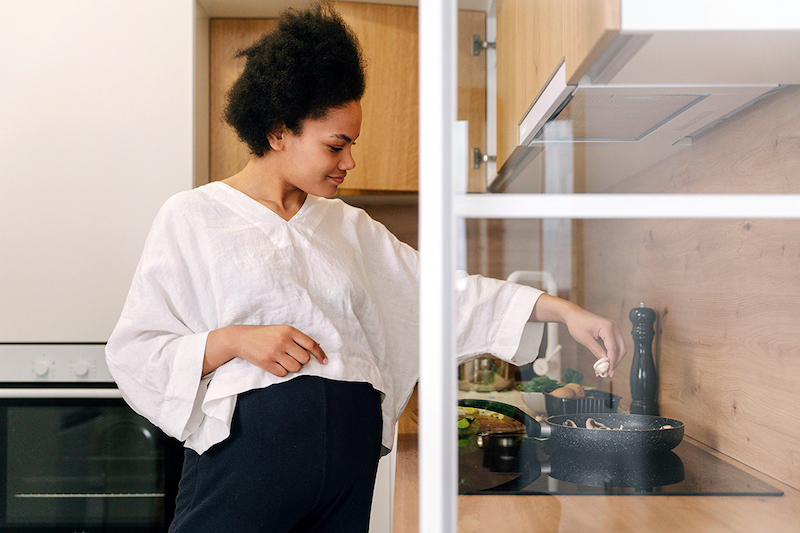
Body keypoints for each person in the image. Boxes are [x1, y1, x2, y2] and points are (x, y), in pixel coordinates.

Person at [105, 4, 626, 532]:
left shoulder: (350, 227)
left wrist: (563, 311)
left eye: (351, 144)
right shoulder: (193, 217)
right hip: (246, 465)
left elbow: (443, 295)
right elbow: (137, 351)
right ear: (279, 131)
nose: (349, 161)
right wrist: (234, 340)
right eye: (336, 145)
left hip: (347, 471)